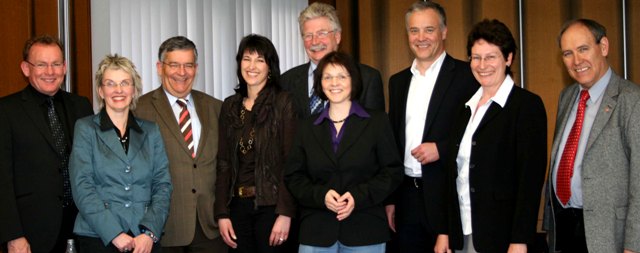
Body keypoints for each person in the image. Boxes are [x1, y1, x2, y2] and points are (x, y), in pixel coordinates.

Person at [440, 19, 547, 253]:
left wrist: (519, 239)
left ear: (508, 58)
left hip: (503, 238)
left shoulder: (526, 106)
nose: (482, 65)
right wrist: (445, 230)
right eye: (476, 57)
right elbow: (453, 174)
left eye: (491, 57)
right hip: (464, 233)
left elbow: (530, 180)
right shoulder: (464, 108)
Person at [285, 51, 403, 253]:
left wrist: (357, 196)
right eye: (327, 77)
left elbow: (392, 172)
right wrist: (320, 195)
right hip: (316, 231)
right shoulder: (306, 127)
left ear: (353, 80)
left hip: (365, 228)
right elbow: (294, 176)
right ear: (319, 83)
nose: (334, 83)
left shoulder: (377, 122)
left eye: (341, 76)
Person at [385, 2, 478, 252]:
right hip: (406, 198)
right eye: (414, 31)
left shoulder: (467, 77)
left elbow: (481, 135)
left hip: (447, 195)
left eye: (429, 30)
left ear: (444, 31)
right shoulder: (398, 82)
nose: (421, 38)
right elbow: (393, 143)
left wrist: (442, 149)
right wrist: (391, 199)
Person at [543, 18, 640, 253]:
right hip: (565, 228)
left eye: (583, 49)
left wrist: (633, 245)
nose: (577, 61)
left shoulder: (630, 99)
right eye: (568, 53)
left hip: (609, 237)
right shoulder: (567, 97)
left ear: (603, 47)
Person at [69, 54, 172, 253]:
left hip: (144, 239)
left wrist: (150, 232)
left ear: (134, 90)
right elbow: (82, 187)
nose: (118, 90)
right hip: (99, 238)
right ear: (100, 90)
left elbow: (163, 185)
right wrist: (113, 233)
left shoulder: (151, 131)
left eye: (125, 83)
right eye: (110, 83)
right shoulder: (85, 129)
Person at [0, 35, 93, 253]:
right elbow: (1, 179)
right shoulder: (6, 111)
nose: (50, 72)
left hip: (82, 228)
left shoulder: (81, 106)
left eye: (56, 64)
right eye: (41, 64)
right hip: (31, 233)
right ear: (25, 68)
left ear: (65, 67)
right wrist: (13, 235)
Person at [133, 36, 226, 253]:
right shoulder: (139, 110)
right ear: (160, 67)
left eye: (188, 65)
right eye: (174, 65)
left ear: (196, 68)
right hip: (164, 228)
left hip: (210, 228)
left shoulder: (216, 108)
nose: (181, 72)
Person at [214, 34, 296, 253]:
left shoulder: (283, 102)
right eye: (247, 58)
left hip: (271, 206)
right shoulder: (230, 106)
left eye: (260, 60)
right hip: (237, 207)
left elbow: (290, 162)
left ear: (270, 67)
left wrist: (285, 213)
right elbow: (223, 163)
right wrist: (222, 213)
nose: (252, 66)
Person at [281, 2, 384, 118]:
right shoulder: (286, 81)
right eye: (308, 35)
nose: (315, 42)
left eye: (321, 33)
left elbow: (375, 132)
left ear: (337, 37)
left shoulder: (367, 78)